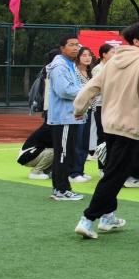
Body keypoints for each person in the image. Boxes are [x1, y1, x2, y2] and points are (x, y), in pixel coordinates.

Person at [72, 22, 139, 239]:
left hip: (110, 125)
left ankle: (108, 216)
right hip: (130, 127)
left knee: (113, 171)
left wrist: (79, 108)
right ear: (136, 41)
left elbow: (91, 87)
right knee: (115, 175)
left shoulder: (113, 61)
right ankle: (88, 219)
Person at [46, 34, 85, 201]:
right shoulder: (59, 66)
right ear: (62, 48)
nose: (76, 48)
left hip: (70, 116)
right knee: (63, 154)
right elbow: (64, 90)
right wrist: (86, 92)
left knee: (66, 154)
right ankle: (61, 190)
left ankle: (62, 188)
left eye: (77, 44)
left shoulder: (69, 64)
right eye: (71, 44)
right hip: (64, 117)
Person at [70, 46, 96, 183]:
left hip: (89, 110)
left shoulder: (90, 73)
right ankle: (73, 173)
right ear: (78, 57)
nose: (87, 58)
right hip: (78, 111)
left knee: (85, 141)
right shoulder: (74, 72)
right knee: (77, 142)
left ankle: (80, 170)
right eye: (84, 55)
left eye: (89, 55)